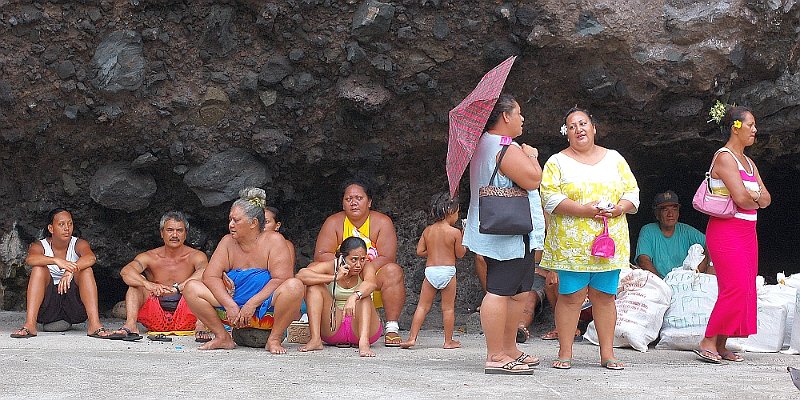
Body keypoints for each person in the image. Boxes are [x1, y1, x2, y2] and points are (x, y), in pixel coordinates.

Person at [539, 106, 640, 370]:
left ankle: (607, 354)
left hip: (608, 242)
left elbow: (632, 191)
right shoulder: (556, 162)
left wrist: (620, 208)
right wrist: (584, 210)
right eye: (572, 126)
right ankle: (565, 352)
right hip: (571, 246)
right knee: (571, 296)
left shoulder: (615, 158)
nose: (579, 129)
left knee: (605, 296)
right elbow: (549, 197)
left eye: (583, 124)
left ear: (594, 128)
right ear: (567, 134)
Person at [462, 93, 542, 375]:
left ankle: (510, 349)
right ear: (505, 116)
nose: (522, 118)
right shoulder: (504, 147)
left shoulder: (482, 143)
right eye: (518, 113)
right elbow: (532, 180)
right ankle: (496, 355)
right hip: (508, 233)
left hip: (501, 228)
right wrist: (531, 156)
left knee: (517, 293)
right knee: (499, 291)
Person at [183, 187, 305, 352]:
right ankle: (222, 337)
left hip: (265, 304)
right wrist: (229, 304)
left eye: (236, 220)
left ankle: (274, 339)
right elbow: (210, 276)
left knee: (295, 286)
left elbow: (280, 279)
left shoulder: (274, 241)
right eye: (230, 220)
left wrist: (252, 303)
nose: (231, 225)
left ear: (254, 223)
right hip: (232, 302)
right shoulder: (227, 242)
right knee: (191, 288)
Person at [695, 106, 770, 363]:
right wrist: (755, 197)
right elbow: (741, 198)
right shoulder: (725, 157)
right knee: (734, 287)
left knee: (745, 287)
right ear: (735, 127)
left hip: (748, 232)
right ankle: (708, 340)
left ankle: (722, 343)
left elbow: (767, 199)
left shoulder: (749, 162)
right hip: (726, 231)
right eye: (750, 125)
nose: (754, 130)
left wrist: (755, 198)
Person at [314, 178, 406, 347]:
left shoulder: (382, 222)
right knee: (314, 269)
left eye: (359, 198)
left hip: (370, 274)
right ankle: (330, 326)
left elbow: (387, 257)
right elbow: (321, 254)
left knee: (393, 270)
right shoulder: (333, 222)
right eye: (348, 199)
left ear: (369, 202)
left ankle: (392, 327)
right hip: (341, 275)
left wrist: (363, 268)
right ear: (343, 204)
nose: (353, 203)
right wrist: (346, 266)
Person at [11, 208, 117, 339]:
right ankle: (30, 325)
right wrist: (55, 260)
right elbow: (30, 259)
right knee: (39, 268)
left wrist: (70, 270)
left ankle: (94, 325)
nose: (67, 228)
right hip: (47, 309)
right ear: (51, 228)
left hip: (74, 308)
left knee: (86, 270)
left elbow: (91, 258)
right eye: (61, 224)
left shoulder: (78, 243)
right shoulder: (40, 245)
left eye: (70, 223)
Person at [116, 211, 209, 342]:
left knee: (205, 282)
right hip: (155, 314)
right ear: (162, 233)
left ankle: (201, 325)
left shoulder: (196, 256)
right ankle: (131, 325)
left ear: (186, 234)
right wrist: (148, 284)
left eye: (179, 230)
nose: (174, 235)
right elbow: (126, 272)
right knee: (134, 286)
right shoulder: (149, 256)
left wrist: (178, 288)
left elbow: (205, 271)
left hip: (189, 314)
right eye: (170, 230)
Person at [400, 192, 466, 349]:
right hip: (448, 271)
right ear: (450, 212)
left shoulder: (428, 231)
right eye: (457, 212)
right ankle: (448, 341)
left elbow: (419, 251)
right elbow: (460, 254)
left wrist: (434, 251)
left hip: (430, 271)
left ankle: (411, 338)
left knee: (422, 306)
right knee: (448, 308)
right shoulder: (455, 232)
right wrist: (464, 238)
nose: (457, 216)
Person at [296, 237, 381, 357]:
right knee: (314, 288)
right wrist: (335, 277)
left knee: (364, 296)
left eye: (362, 259)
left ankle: (364, 343)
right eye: (354, 260)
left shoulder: (366, 267)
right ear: (342, 257)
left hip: (360, 325)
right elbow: (301, 275)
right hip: (335, 324)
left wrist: (354, 297)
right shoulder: (332, 266)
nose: (358, 265)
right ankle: (315, 339)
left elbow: (371, 283)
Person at [635, 190, 712, 278]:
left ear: (678, 213)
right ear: (657, 214)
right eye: (665, 210)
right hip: (659, 282)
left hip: (684, 283)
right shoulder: (648, 230)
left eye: (674, 209)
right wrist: (662, 284)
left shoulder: (685, 230)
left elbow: (711, 243)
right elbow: (643, 260)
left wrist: (701, 270)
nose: (670, 214)